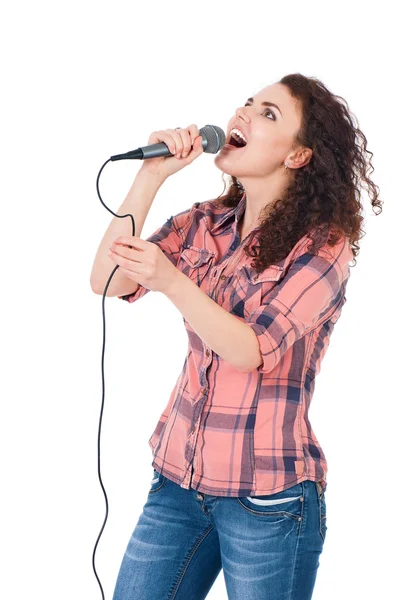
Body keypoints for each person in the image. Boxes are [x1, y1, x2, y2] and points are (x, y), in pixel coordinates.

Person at [90, 73, 382, 600]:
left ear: (297, 156)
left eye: (269, 113)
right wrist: (151, 178)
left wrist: (172, 281)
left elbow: (252, 349)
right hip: (177, 484)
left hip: (267, 501)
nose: (243, 114)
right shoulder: (206, 223)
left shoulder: (323, 248)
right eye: (248, 103)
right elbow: (107, 280)